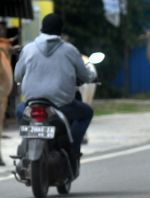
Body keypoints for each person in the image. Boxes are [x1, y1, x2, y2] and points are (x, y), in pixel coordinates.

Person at [14, 13, 95, 159]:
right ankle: (73, 149)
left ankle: (26, 143)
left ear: (41, 28)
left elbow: (17, 76)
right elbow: (84, 76)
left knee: (20, 111)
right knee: (86, 113)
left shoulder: (28, 49)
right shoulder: (70, 50)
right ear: (60, 31)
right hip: (62, 106)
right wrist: (91, 77)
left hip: (32, 105)